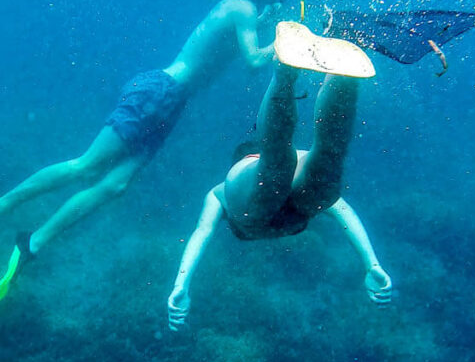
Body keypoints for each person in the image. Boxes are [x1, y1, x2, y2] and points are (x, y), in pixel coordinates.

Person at [0, 0, 291, 336]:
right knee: (87, 166)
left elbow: (235, 48)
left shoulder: (241, 9)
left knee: (115, 184)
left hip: (170, 103)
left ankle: (32, 243)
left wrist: (268, 26)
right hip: (160, 93)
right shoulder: (242, 9)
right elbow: (254, 62)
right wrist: (286, 39)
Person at [167, 22, 392, 331]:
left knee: (280, 165)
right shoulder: (223, 192)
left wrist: (182, 283)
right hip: (293, 201)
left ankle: (288, 72)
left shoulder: (221, 193)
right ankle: (341, 80)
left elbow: (201, 234)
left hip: (258, 198)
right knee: (325, 157)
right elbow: (344, 212)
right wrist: (372, 263)